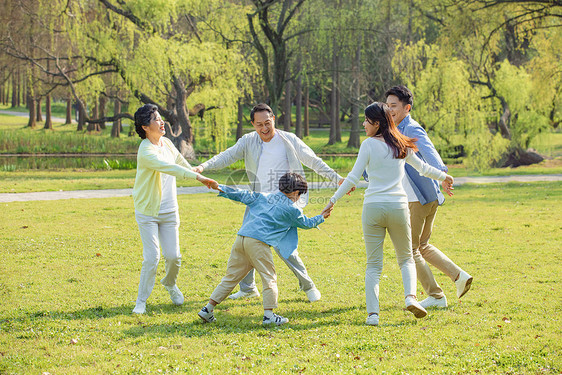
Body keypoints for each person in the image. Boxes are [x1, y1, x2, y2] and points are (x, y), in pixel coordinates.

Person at [192, 103, 346, 302]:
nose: (264, 129)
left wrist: (337, 179)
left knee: (286, 250)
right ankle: (248, 288)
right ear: (253, 124)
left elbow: (313, 161)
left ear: (274, 119)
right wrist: (203, 167)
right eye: (259, 125)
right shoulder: (248, 141)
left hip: (285, 203)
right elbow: (227, 156)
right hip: (258, 202)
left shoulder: (288, 140)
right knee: (246, 240)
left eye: (267, 123)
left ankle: (308, 286)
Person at [322, 102, 454, 326]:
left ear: (376, 123)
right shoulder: (401, 143)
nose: (363, 124)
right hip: (398, 208)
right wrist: (444, 177)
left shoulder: (368, 146)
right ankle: (410, 297)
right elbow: (423, 168)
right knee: (405, 259)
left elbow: (354, 177)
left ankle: (373, 315)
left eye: (366, 120)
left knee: (373, 265)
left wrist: (332, 201)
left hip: (373, 208)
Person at [197, 173, 332, 326]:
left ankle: (207, 309)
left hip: (241, 239)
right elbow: (306, 223)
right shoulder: (292, 209)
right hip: (258, 244)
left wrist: (219, 187)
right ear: (295, 193)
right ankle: (269, 315)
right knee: (269, 277)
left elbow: (241, 194)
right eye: (299, 195)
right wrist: (322, 216)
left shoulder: (262, 196)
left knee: (230, 278)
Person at [385, 85, 472, 309]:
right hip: (425, 197)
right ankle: (459, 276)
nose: (389, 109)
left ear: (407, 108)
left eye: (394, 106)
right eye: (387, 105)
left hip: (419, 198)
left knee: (410, 250)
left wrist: (442, 175)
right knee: (423, 245)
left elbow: (431, 155)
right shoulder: (395, 128)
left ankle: (435, 296)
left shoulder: (411, 128)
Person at [131, 104, 218, 314]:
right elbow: (170, 168)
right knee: (152, 257)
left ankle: (169, 283)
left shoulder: (167, 143)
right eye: (156, 120)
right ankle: (141, 302)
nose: (162, 123)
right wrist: (198, 177)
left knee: (174, 256)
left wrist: (195, 170)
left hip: (169, 210)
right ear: (145, 127)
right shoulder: (146, 151)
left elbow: (179, 161)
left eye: (161, 118)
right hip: (147, 211)